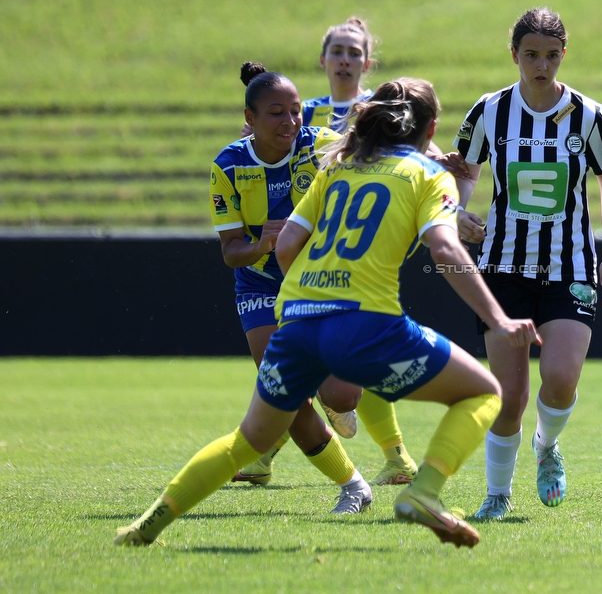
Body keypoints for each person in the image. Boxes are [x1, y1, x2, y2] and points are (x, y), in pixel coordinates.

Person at [115, 78, 541, 549]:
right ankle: (423, 492)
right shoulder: (427, 174)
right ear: (431, 128)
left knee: (249, 439)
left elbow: (287, 247)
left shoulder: (337, 167)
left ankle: (146, 524)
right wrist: (498, 318)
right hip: (367, 323)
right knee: (483, 394)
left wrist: (312, 292)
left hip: (296, 322)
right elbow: (444, 249)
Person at [450, 7, 602, 520]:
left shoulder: (588, 115)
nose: (541, 65)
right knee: (509, 397)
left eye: (551, 55)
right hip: (502, 268)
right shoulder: (489, 111)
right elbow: (464, 170)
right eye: (531, 55)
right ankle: (497, 494)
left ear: (563, 55)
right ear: (514, 56)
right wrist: (458, 211)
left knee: (563, 376)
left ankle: (547, 447)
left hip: (569, 267)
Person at [241, 18, 424, 487]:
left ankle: (395, 455)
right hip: (303, 252)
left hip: (355, 252)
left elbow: (414, 148)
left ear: (368, 62)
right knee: (304, 356)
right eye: (336, 50)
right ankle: (266, 454)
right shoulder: (304, 112)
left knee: (344, 357)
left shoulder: (376, 110)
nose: (344, 58)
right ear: (323, 60)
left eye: (353, 51)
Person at [208, 62, 372, 513]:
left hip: (319, 283)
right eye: (277, 113)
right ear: (250, 118)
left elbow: (376, 152)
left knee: (342, 396)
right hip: (260, 285)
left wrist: (434, 159)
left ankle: (326, 403)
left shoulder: (318, 146)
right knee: (284, 389)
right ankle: (354, 486)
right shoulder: (228, 165)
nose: (291, 122)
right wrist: (260, 242)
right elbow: (230, 251)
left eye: (297, 111)